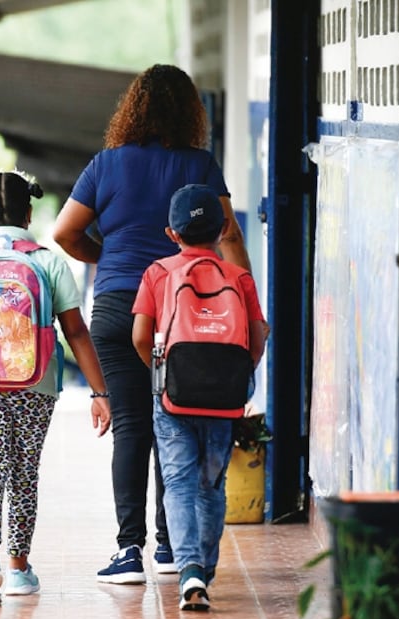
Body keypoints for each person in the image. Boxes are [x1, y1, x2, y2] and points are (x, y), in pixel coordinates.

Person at [52, 63, 251, 583]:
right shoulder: (199, 164)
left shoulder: (106, 164)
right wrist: (242, 296)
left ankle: (128, 551)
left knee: (131, 428)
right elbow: (229, 235)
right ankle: (169, 546)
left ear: (132, 109)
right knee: (176, 420)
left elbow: (65, 232)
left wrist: (107, 257)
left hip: (118, 305)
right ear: (190, 113)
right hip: (182, 309)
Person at [0, 171, 113, 605]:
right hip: (35, 383)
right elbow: (76, 331)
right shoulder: (48, 262)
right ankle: (17, 569)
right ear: (29, 214)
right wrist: (100, 392)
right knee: (24, 473)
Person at [132, 184, 268, 610]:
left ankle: (189, 570)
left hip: (173, 397)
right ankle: (204, 569)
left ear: (172, 233)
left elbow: (140, 335)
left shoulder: (158, 273)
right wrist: (238, 375)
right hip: (224, 400)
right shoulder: (239, 277)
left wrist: (162, 374)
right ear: (224, 228)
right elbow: (258, 336)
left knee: (177, 483)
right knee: (211, 485)